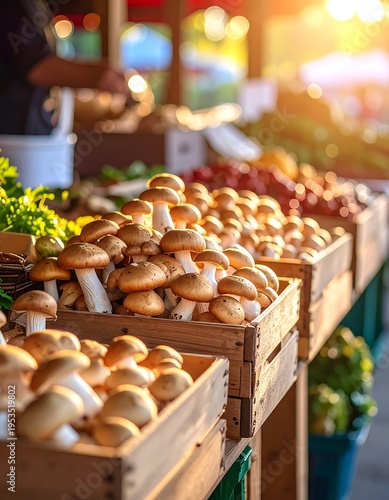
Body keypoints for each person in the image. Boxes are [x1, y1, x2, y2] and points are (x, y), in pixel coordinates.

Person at [0, 0, 130, 135]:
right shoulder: (14, 5)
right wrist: (97, 76)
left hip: (25, 133)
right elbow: (38, 68)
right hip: (12, 135)